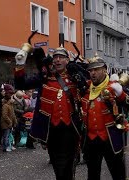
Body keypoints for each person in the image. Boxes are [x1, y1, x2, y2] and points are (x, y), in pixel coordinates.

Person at [14, 45, 84, 180]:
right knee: (57, 165)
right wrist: (20, 64)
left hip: (70, 128)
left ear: (67, 60)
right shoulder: (44, 78)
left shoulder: (75, 78)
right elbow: (21, 84)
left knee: (68, 164)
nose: (57, 60)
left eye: (61, 57)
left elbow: (88, 89)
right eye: (55, 57)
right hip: (51, 129)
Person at [81, 54, 129, 180]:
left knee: (118, 174)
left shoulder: (114, 86)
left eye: (96, 69)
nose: (93, 73)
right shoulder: (86, 88)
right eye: (90, 70)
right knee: (92, 175)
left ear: (104, 70)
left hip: (111, 139)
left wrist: (121, 94)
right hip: (91, 140)